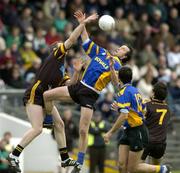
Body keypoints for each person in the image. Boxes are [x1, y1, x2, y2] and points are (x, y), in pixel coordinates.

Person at [43, 10, 133, 173]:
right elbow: (85, 40)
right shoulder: (102, 52)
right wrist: (82, 22)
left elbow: (115, 83)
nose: (119, 49)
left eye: (122, 50)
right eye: (120, 47)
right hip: (79, 86)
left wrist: (113, 69)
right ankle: (49, 120)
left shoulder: (120, 67)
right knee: (47, 95)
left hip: (90, 94)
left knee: (83, 130)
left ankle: (79, 162)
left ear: (124, 57)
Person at [8, 12, 98, 173]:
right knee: (37, 129)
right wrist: (83, 23)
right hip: (35, 94)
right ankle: (14, 155)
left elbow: (71, 85)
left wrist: (77, 71)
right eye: (59, 43)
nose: (62, 44)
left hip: (46, 98)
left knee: (60, 124)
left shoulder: (62, 69)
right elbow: (71, 39)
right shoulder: (56, 55)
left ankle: (64, 158)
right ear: (56, 49)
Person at [103, 66, 171, 173]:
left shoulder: (127, 92)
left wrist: (110, 132)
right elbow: (139, 111)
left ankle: (162, 169)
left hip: (137, 131)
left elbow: (127, 115)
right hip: (129, 130)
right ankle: (160, 168)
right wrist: (121, 109)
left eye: (116, 75)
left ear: (120, 78)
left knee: (133, 168)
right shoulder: (134, 91)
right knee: (121, 165)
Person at [141, 82, 171, 164]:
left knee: (137, 167)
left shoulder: (147, 105)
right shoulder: (167, 108)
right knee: (156, 168)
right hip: (161, 144)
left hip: (147, 141)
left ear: (154, 93)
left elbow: (140, 119)